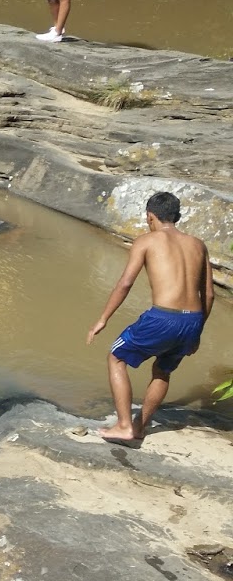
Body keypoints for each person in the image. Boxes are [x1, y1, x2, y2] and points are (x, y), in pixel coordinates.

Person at [85, 191, 212, 446]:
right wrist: (197, 331)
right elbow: (208, 294)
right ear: (176, 216)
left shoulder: (146, 240)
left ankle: (124, 426)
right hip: (193, 319)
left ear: (150, 216)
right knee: (163, 370)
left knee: (116, 357)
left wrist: (103, 319)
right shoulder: (198, 245)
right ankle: (140, 427)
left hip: (164, 317)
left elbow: (125, 283)